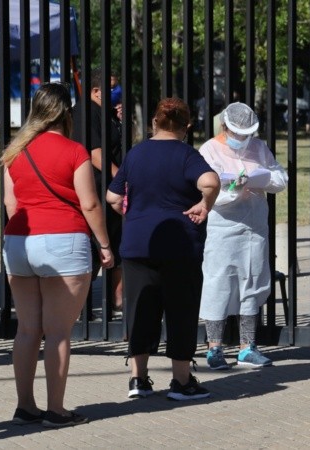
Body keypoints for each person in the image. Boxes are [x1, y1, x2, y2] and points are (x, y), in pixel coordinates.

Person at [0, 83, 114, 427]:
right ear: (66, 113)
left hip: (19, 240)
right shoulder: (74, 151)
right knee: (58, 332)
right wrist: (105, 245)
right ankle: (56, 409)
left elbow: (10, 203)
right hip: (63, 240)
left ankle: (25, 406)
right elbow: (90, 203)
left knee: (27, 330)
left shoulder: (14, 151)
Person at [106, 97, 219, 400]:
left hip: (138, 242)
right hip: (179, 245)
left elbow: (113, 197)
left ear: (154, 122)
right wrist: (204, 204)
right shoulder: (187, 155)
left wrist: (134, 215)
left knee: (141, 308)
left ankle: (138, 379)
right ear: (187, 126)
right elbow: (210, 181)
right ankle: (181, 381)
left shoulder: (135, 154)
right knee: (181, 310)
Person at [198, 102, 289, 370]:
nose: (242, 140)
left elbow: (280, 178)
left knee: (254, 280)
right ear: (224, 127)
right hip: (223, 227)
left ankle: (248, 347)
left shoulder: (259, 148)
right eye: (237, 134)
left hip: (254, 227)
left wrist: (257, 179)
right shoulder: (209, 150)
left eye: (246, 134)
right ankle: (214, 347)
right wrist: (235, 190)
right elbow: (206, 193)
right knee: (219, 283)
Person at [71, 68, 125, 312]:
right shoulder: (84, 113)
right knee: (95, 247)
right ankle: (81, 309)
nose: (116, 91)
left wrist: (120, 121)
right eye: (111, 87)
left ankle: (118, 303)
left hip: (109, 189)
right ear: (95, 91)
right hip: (97, 187)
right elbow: (95, 154)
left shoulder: (106, 112)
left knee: (118, 245)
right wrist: (120, 179)